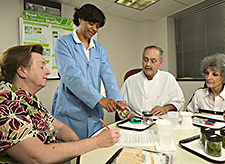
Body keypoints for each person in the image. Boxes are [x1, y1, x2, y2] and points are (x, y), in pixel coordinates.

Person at [0, 45, 120, 164]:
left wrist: (82, 147)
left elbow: (59, 128)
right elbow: (38, 157)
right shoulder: (6, 103)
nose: (47, 71)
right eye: (42, 67)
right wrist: (96, 142)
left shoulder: (27, 98)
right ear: (22, 71)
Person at [52, 4, 130, 139]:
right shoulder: (63, 43)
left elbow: (108, 76)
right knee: (72, 154)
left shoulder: (99, 49)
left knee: (94, 151)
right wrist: (100, 99)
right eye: (91, 23)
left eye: (98, 26)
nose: (94, 29)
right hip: (71, 110)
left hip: (94, 113)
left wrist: (118, 100)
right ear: (80, 19)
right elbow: (71, 76)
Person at [120, 45, 185, 116]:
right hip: (135, 122)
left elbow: (179, 102)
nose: (148, 64)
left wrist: (165, 108)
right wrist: (128, 115)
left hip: (160, 121)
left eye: (153, 61)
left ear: (160, 63)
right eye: (145, 60)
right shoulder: (130, 81)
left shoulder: (168, 78)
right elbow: (120, 105)